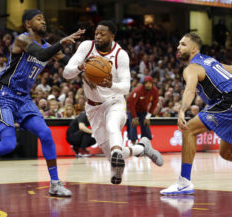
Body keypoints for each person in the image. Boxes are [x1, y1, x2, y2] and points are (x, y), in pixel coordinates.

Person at [0, 9, 85, 197]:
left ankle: (55, 183)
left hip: (24, 97)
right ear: (27, 24)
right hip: (3, 95)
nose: (43, 21)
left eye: (44, 18)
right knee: (9, 145)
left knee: (45, 133)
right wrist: (61, 42)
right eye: (38, 19)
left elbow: (68, 63)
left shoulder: (48, 46)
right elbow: (41, 55)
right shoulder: (22, 40)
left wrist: (84, 65)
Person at [63, 20, 163, 185]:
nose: (98, 36)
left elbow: (125, 87)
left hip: (114, 101)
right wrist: (81, 67)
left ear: (112, 36)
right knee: (110, 155)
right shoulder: (87, 47)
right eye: (96, 33)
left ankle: (117, 152)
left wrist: (110, 85)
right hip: (92, 106)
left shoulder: (120, 54)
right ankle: (142, 148)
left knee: (112, 126)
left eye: (102, 34)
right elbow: (67, 73)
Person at [160, 33, 232, 195]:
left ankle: (184, 182)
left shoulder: (191, 67)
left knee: (189, 130)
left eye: (183, 44)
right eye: (178, 44)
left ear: (193, 49)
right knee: (227, 153)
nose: (178, 47)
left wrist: (182, 110)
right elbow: (231, 69)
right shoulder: (210, 61)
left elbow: (190, 89)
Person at [126, 75, 159, 144]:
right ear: (144, 84)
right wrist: (134, 117)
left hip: (143, 111)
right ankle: (133, 144)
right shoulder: (138, 91)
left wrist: (148, 117)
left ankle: (146, 144)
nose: (148, 85)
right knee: (133, 125)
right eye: (146, 83)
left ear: (152, 84)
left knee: (145, 125)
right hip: (132, 110)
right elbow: (131, 104)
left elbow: (154, 104)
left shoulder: (155, 91)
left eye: (150, 83)